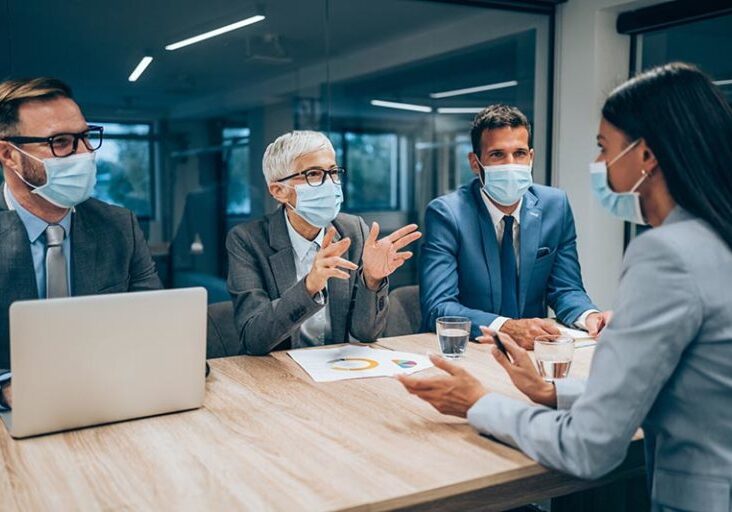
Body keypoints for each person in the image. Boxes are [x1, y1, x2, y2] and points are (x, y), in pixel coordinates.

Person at [399, 63, 732, 511]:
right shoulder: (716, 237)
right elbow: (686, 383)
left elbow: (590, 445)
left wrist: (479, 402)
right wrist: (552, 392)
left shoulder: (665, 252)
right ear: (476, 162)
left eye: (602, 148)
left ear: (646, 156)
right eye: (498, 155)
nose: (597, 163)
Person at [0, 78, 163, 409]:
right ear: (8, 155)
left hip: (106, 399)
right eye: (60, 142)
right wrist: (7, 387)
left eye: (86, 137)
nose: (86, 154)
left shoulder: (120, 226)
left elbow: (155, 327)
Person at [420, 104, 610, 348]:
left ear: (530, 157)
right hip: (471, 349)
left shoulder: (555, 206)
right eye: (497, 154)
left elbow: (566, 289)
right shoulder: (447, 214)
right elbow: (438, 307)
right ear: (475, 163)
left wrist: (590, 316)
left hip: (533, 349)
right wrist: (506, 328)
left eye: (519, 154)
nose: (511, 164)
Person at [227, 130, 421, 355]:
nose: (330, 184)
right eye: (314, 174)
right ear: (279, 190)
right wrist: (310, 285)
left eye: (333, 172)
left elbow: (366, 334)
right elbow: (253, 340)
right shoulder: (246, 240)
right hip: (278, 374)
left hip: (335, 369)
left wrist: (372, 279)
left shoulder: (352, 230)